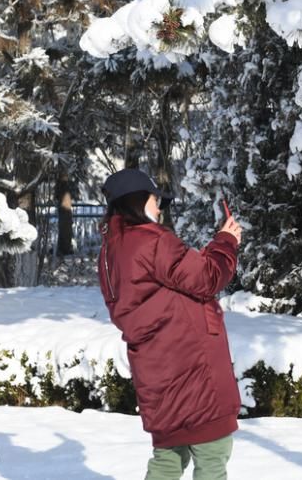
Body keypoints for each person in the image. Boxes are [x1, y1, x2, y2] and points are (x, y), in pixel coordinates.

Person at [96, 168, 242, 480]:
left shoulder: (112, 251)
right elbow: (207, 278)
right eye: (154, 200)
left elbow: (172, 284)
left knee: (168, 459)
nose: (159, 207)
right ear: (136, 202)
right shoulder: (151, 241)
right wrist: (226, 242)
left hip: (157, 373)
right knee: (213, 456)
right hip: (192, 370)